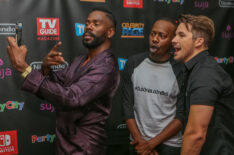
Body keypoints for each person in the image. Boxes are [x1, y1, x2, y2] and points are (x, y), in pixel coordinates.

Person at [6, 7, 120, 155]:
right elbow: (56, 87)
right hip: (63, 144)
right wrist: (46, 68)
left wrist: (24, 68)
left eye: (96, 24)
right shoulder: (80, 60)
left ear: (110, 32)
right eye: (87, 23)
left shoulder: (106, 67)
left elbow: (71, 98)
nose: (88, 27)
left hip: (85, 148)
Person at [172, 14, 234, 155]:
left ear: (198, 41)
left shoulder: (205, 74)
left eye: (181, 35)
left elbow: (196, 134)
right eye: (175, 35)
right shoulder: (197, 69)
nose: (173, 40)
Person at [122, 18, 184, 155]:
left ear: (172, 41)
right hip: (137, 142)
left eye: (162, 36)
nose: (155, 39)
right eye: (152, 34)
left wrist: (152, 144)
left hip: (170, 144)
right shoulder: (133, 63)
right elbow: (127, 107)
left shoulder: (181, 69)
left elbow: (181, 116)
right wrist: (141, 143)